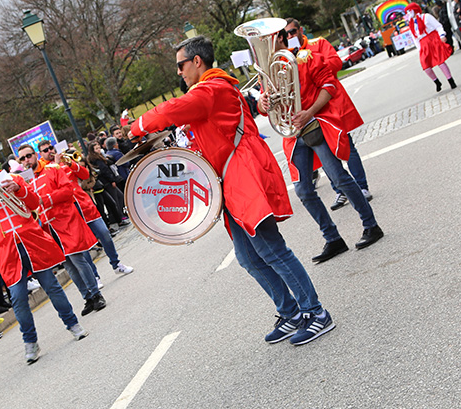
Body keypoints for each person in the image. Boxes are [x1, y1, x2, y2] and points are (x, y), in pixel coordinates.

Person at [129, 35, 335, 346]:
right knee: (248, 257)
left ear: (197, 61)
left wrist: (138, 125)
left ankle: (315, 312)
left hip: (243, 175)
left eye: (180, 65)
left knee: (271, 250)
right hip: (231, 178)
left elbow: (171, 110)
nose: (179, 72)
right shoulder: (212, 87)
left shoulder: (210, 89)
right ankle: (291, 312)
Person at [258, 26, 384, 263]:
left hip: (315, 123)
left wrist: (309, 112)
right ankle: (333, 238)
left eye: (268, 41)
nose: (264, 48)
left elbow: (329, 86)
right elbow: (265, 109)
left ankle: (371, 225)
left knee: (338, 177)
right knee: (304, 191)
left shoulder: (306, 58)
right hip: (293, 134)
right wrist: (263, 103)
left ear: (281, 38)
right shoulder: (269, 72)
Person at [0, 152, 88, 364]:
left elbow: (33, 204)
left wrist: (19, 189)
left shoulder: (15, 179)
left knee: (52, 286)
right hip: (7, 249)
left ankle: (73, 324)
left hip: (31, 240)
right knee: (18, 298)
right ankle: (30, 342)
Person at [284, 19, 373, 212]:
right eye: (286, 35)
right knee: (324, 155)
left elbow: (335, 63)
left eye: (292, 32)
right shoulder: (287, 57)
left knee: (346, 144)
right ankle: (340, 191)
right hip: (314, 112)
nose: (289, 37)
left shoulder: (318, 44)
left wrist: (312, 59)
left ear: (300, 31)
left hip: (332, 103)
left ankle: (362, 186)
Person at [17, 144, 107, 315]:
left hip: (65, 222)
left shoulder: (53, 168)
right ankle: (87, 297)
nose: (26, 160)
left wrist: (45, 199)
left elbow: (68, 191)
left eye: (28, 156)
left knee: (78, 260)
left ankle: (96, 294)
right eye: (22, 158)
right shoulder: (27, 182)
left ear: (35, 155)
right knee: (69, 266)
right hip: (49, 229)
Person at [36, 141, 134, 277]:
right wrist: (56, 165)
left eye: (50, 148)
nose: (49, 151)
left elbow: (85, 175)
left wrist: (71, 163)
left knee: (104, 233)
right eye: (45, 150)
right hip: (68, 212)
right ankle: (95, 276)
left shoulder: (65, 161)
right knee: (84, 246)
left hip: (84, 204)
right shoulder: (44, 171)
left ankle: (116, 264)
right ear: (40, 154)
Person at [404, 2, 456, 92]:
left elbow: (438, 26)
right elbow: (414, 37)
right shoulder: (412, 24)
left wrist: (442, 35)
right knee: (426, 66)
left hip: (432, 40)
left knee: (440, 62)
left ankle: (450, 80)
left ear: (414, 10)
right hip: (423, 43)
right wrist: (419, 48)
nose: (408, 14)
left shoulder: (426, 17)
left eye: (409, 11)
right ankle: (436, 81)